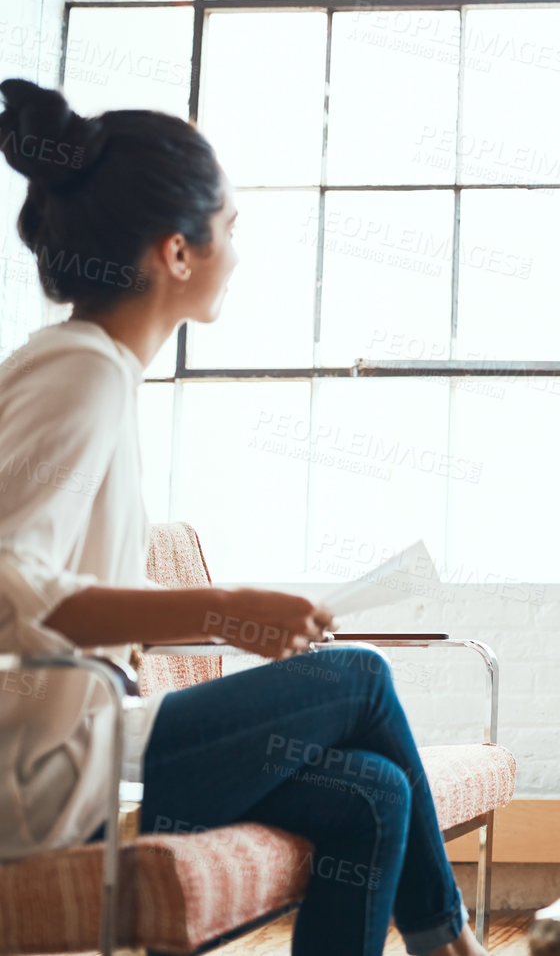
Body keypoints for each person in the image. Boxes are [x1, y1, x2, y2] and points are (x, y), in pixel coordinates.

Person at [0, 79, 486, 956]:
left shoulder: (90, 366)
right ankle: (452, 946)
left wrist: (240, 615)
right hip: (36, 777)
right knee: (361, 680)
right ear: (177, 253)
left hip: (89, 755)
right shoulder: (83, 372)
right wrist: (219, 610)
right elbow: (13, 586)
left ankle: (445, 945)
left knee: (372, 796)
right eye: (229, 228)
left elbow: (77, 584)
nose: (237, 250)